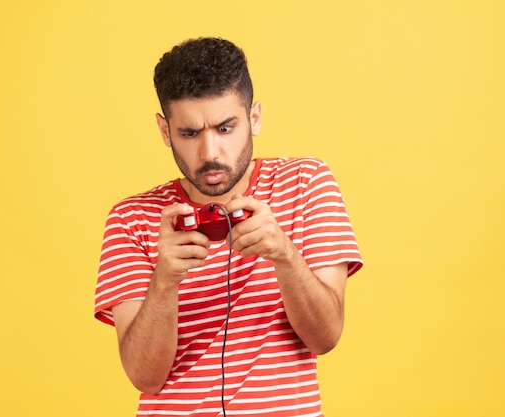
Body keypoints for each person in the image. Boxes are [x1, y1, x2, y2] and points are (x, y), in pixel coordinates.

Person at [94, 37, 363, 416]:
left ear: (254, 118)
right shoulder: (132, 218)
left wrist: (285, 256)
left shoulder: (306, 183)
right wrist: (165, 279)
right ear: (164, 130)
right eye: (189, 133)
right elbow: (144, 377)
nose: (209, 154)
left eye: (225, 128)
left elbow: (326, 337)